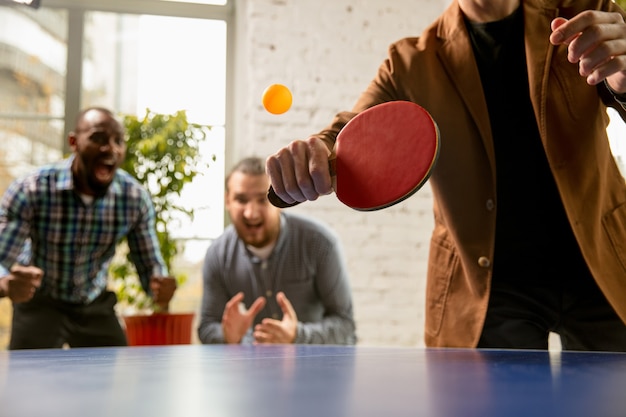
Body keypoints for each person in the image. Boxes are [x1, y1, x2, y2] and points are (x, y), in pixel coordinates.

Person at [266, 0, 626, 351]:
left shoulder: (587, 11)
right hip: (485, 283)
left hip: (600, 258)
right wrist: (314, 155)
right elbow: (348, 133)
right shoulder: (410, 62)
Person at [0, 106, 176, 349]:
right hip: (41, 301)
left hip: (94, 303)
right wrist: (6, 283)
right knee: (27, 381)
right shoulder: (32, 190)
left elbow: (151, 266)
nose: (110, 149)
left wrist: (160, 287)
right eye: (98, 138)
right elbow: (1, 260)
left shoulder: (133, 199)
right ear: (74, 142)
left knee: (110, 380)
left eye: (118, 141)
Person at [197, 156, 356, 345]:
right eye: (241, 199)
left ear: (280, 201)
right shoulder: (217, 254)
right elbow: (207, 328)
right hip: (249, 371)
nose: (251, 213)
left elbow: (345, 326)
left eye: (262, 199)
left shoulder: (320, 243)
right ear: (227, 201)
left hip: (314, 370)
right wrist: (228, 336)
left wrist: (297, 335)